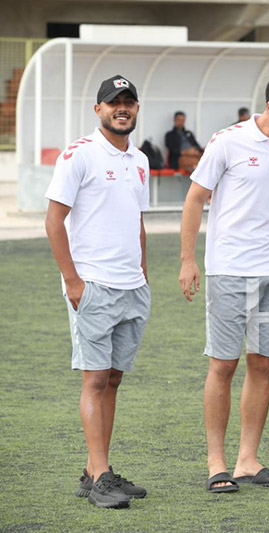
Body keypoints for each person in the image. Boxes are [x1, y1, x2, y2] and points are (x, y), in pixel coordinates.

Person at [178, 71, 269, 494]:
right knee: (223, 364)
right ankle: (216, 461)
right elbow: (195, 199)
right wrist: (188, 260)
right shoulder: (227, 141)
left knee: (263, 364)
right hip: (228, 271)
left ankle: (247, 459)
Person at [44, 75, 151, 509]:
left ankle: (95, 471)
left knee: (114, 380)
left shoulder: (139, 159)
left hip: (132, 287)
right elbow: (54, 221)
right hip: (93, 285)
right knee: (94, 379)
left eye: (128, 102)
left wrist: (143, 273)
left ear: (137, 109)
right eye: (113, 102)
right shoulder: (79, 154)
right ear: (98, 110)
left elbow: (137, 220)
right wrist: (73, 281)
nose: (121, 108)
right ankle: (101, 476)